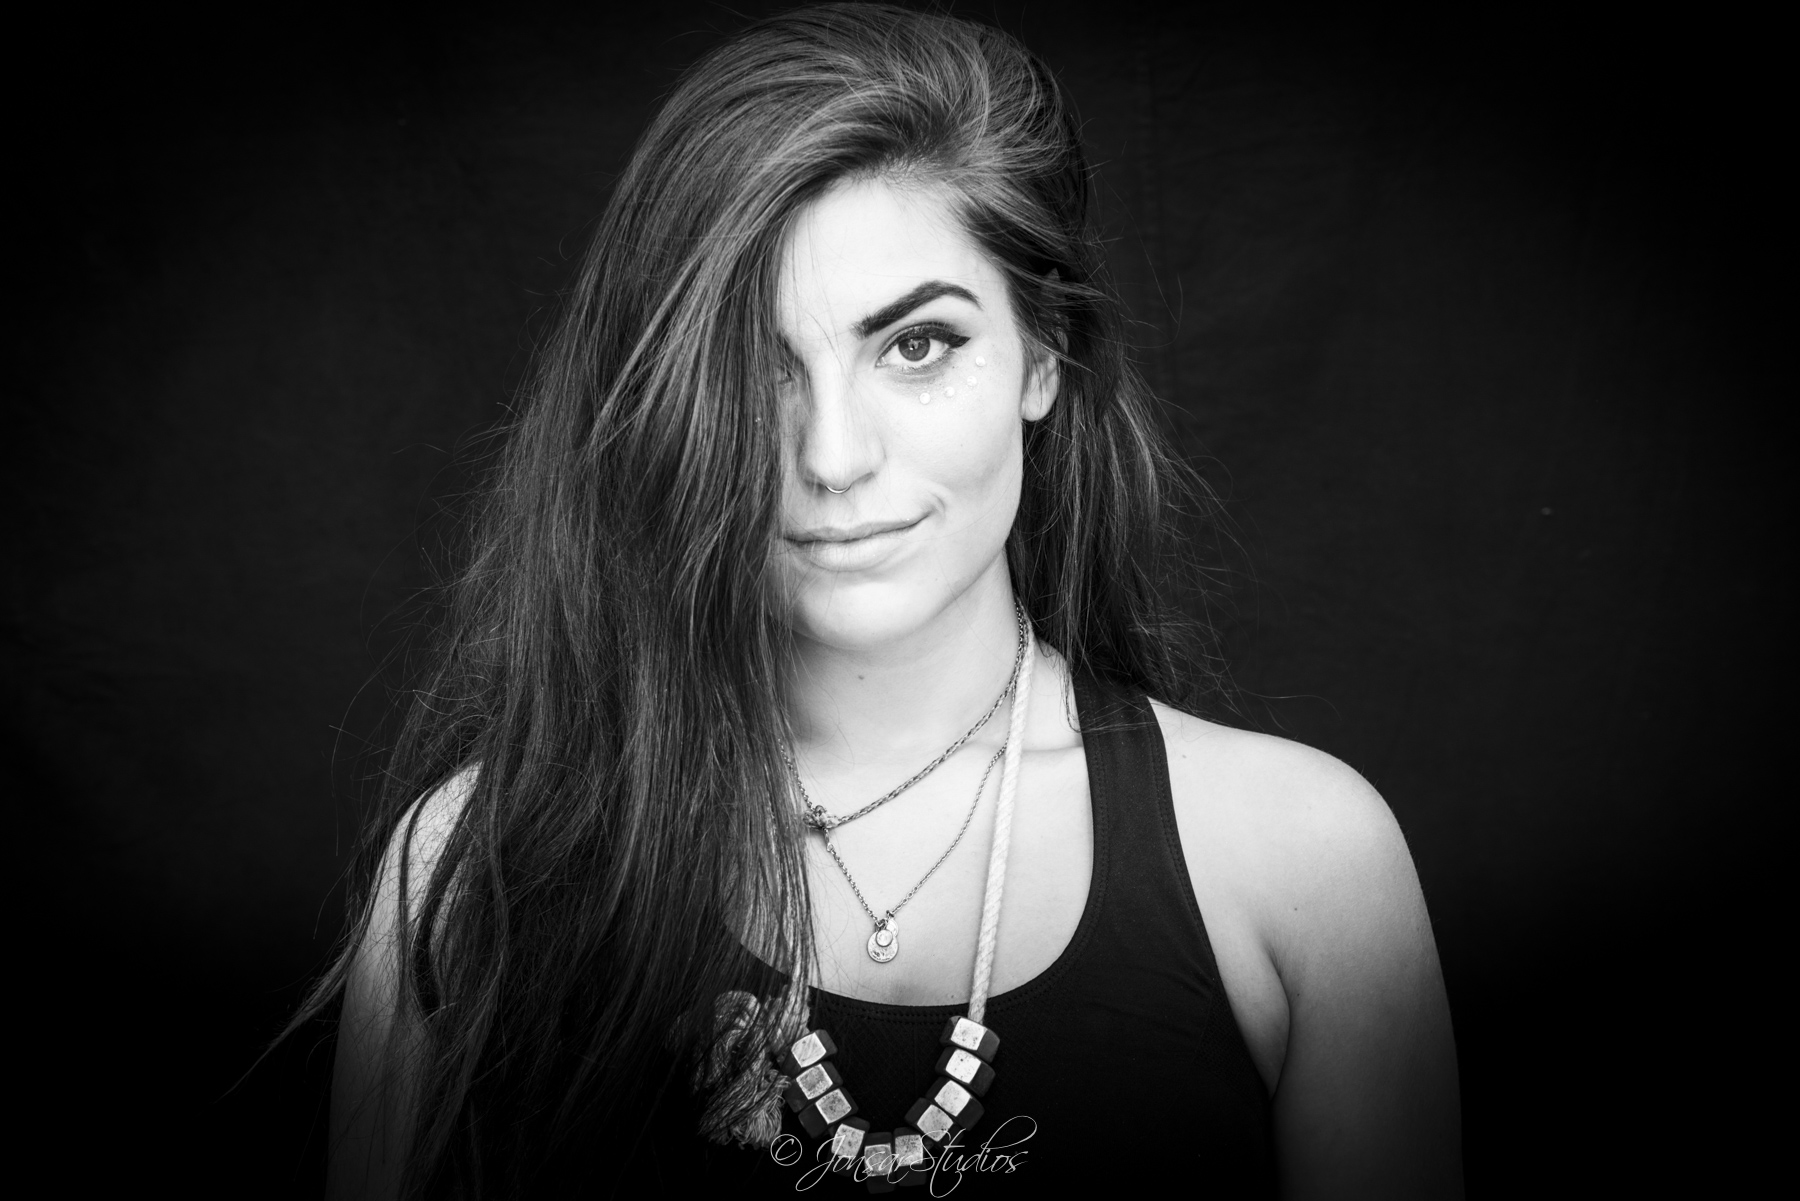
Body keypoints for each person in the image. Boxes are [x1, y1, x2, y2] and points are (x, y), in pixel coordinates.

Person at [311, 5, 1462, 1196]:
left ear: (1043, 356)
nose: (833, 453)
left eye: (915, 345)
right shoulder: (470, 872)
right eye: (753, 369)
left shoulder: (1305, 869)